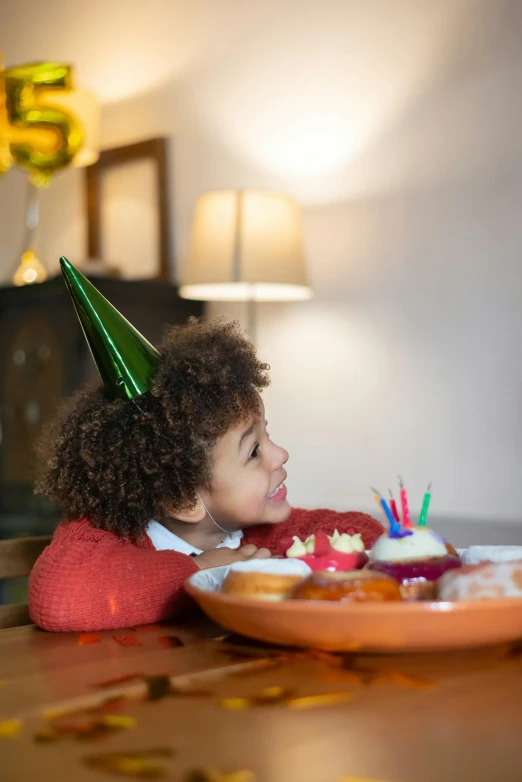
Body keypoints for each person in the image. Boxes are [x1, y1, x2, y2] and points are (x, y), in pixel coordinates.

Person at [28, 258, 383, 632]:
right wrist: (200, 569)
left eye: (268, 435)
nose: (281, 454)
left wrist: (269, 565)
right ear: (184, 499)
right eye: (253, 451)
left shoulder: (264, 532)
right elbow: (59, 600)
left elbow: (366, 534)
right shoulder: (108, 539)